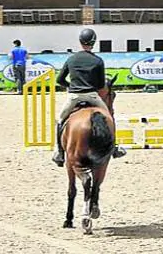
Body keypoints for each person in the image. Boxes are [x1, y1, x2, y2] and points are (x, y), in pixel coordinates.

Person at [51, 28, 126, 166]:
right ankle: (114, 148)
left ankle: (59, 152)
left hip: (74, 96)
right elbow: (99, 85)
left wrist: (70, 86)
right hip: (92, 95)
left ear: (80, 42)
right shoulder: (98, 61)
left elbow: (59, 80)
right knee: (108, 117)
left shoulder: (71, 59)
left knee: (60, 120)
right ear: (94, 42)